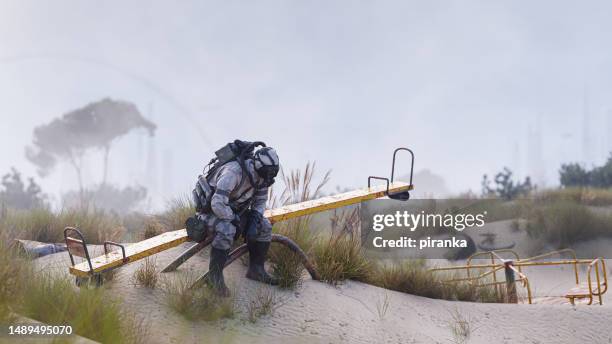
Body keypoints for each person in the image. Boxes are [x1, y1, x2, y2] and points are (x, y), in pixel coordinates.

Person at [199, 146, 280, 296]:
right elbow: (217, 203)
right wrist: (234, 220)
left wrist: (254, 220)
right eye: (267, 173)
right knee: (227, 230)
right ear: (259, 166)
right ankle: (214, 276)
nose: (268, 178)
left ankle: (256, 270)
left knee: (265, 226)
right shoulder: (233, 172)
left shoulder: (263, 178)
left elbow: (260, 201)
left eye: (271, 173)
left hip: (234, 212)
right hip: (210, 213)